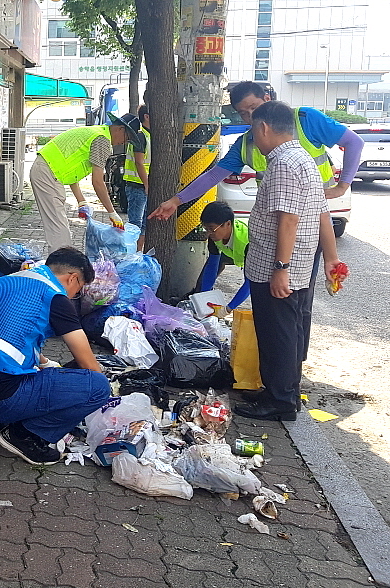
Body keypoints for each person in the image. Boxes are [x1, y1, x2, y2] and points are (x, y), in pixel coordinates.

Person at [148, 80, 362, 359]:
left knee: (295, 301)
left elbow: (353, 142)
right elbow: (214, 175)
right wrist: (176, 200)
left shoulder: (304, 121)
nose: (250, 118)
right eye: (244, 113)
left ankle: (290, 368)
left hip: (306, 222)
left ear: (267, 97)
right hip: (278, 225)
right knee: (275, 303)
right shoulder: (247, 144)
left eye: (253, 108)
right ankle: (282, 368)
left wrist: (343, 185)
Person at [232, 101, 344, 422]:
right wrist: (329, 259)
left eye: (254, 130)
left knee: (277, 333)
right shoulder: (305, 159)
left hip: (277, 267)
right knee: (291, 330)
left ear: (264, 128)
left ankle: (279, 401)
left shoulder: (282, 163)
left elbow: (288, 220)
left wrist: (281, 269)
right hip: (298, 264)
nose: (254, 138)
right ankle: (286, 391)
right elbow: (323, 212)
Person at [0, 247, 111, 465]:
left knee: (26, 370)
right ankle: (25, 435)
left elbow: (10, 336)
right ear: (72, 278)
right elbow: (88, 364)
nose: (75, 296)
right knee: (98, 386)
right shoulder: (54, 296)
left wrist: (45, 363)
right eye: (79, 289)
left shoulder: (8, 281)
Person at [30, 114, 144, 251]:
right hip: (47, 173)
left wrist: (81, 201)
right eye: (127, 138)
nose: (124, 143)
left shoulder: (97, 133)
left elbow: (72, 171)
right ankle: (60, 269)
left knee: (59, 230)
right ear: (120, 129)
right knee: (59, 232)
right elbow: (97, 182)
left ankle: (60, 267)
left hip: (46, 170)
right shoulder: (102, 141)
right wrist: (112, 212)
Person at [198, 201, 250, 314]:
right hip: (233, 252)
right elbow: (212, 266)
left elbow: (250, 282)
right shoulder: (214, 237)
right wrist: (203, 298)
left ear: (227, 224)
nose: (209, 233)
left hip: (261, 255)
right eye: (206, 229)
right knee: (202, 281)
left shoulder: (247, 239)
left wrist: (228, 308)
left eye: (211, 229)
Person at [121, 104, 152, 251]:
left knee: (144, 224)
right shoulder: (140, 136)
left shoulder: (149, 135)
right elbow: (139, 162)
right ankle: (132, 253)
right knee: (135, 224)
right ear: (146, 117)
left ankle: (138, 252)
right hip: (136, 186)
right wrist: (147, 185)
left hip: (143, 186)